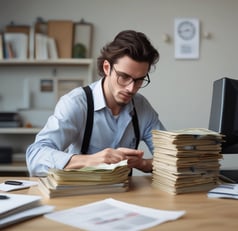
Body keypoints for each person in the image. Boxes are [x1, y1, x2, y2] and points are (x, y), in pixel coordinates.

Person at [26, 30, 165, 176]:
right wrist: (90, 160)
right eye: (124, 77)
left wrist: (143, 164)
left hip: (125, 194)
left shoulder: (142, 107)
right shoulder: (76, 103)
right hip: (81, 195)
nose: (131, 88)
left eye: (139, 80)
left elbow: (172, 159)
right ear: (107, 68)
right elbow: (35, 156)